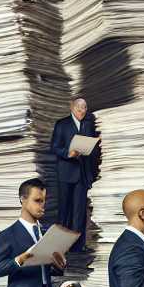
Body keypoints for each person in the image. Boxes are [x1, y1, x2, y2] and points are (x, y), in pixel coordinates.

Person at [0, 179, 64, 287]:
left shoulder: (45, 233)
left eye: (43, 201)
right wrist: (19, 260)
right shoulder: (7, 235)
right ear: (22, 200)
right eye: (37, 200)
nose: (42, 206)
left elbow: (46, 268)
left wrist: (59, 265)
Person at [49, 96, 98, 250]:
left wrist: (94, 145)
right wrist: (68, 153)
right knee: (64, 210)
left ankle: (77, 246)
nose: (82, 111)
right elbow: (54, 147)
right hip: (66, 173)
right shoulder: (62, 124)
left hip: (82, 174)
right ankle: (60, 246)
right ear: (72, 107)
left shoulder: (88, 125)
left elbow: (92, 149)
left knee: (79, 211)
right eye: (79, 107)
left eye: (84, 108)